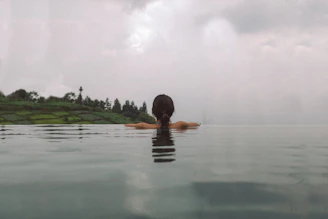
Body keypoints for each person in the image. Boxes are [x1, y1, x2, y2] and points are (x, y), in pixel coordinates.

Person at [125, 94, 200, 129]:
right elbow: (196, 125)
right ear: (172, 111)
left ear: (153, 112)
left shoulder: (142, 126)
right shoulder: (180, 125)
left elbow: (127, 125)